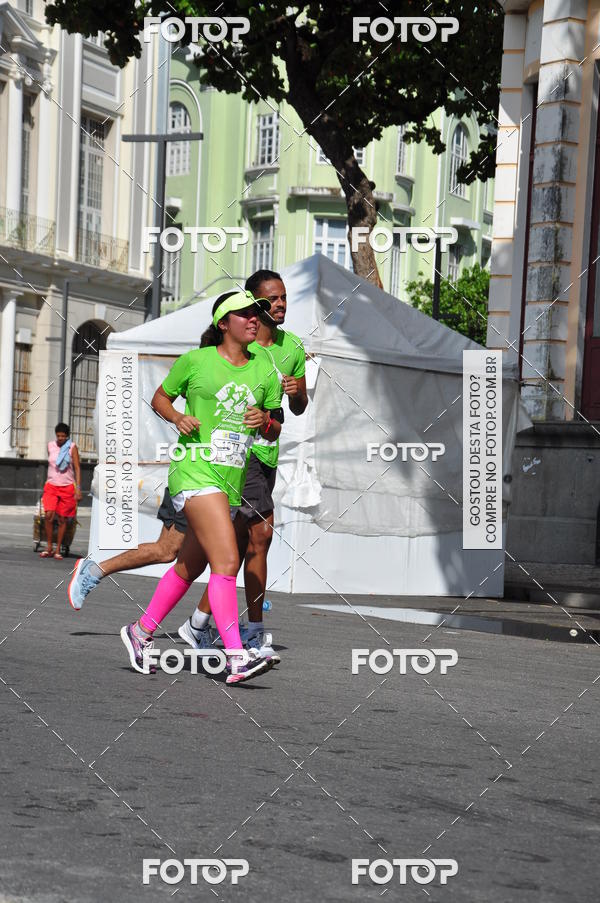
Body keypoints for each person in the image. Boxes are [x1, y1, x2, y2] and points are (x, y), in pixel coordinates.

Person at [119, 289, 283, 685]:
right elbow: (160, 397)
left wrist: (265, 419)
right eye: (244, 314)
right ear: (223, 324)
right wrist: (176, 417)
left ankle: (140, 632)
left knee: (190, 565)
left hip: (230, 480)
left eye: (256, 313)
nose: (254, 319)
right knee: (228, 561)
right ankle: (236, 656)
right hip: (194, 473)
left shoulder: (264, 370)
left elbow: (276, 428)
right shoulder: (196, 361)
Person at [179, 270, 308, 662]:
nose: (280, 305)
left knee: (228, 548)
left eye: (284, 297)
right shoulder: (236, 347)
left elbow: (295, 411)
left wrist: (298, 392)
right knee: (258, 538)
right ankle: (249, 632)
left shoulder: (292, 348)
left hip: (265, 454)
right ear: (251, 304)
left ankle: (197, 624)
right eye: (271, 300)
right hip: (233, 455)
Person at [40, 423, 81, 560]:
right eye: (58, 436)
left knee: (63, 519)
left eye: (63, 436)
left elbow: (77, 468)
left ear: (67, 436)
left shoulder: (72, 447)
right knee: (49, 515)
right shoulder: (50, 445)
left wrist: (78, 489)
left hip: (67, 486)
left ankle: (58, 549)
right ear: (55, 435)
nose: (61, 438)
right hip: (51, 485)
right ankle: (49, 547)